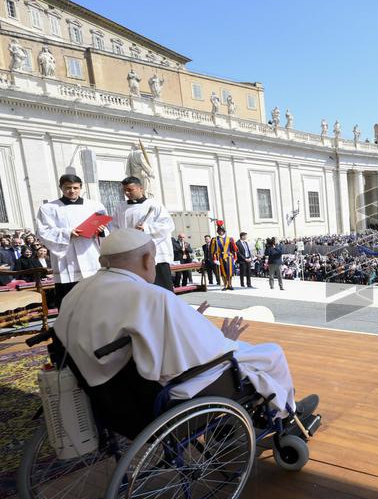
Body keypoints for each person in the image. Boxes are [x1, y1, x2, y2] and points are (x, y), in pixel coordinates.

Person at [53, 229, 317, 422]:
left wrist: (191, 321)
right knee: (271, 353)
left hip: (109, 392)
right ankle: (287, 413)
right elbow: (205, 352)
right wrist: (223, 337)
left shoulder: (78, 290)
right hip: (165, 389)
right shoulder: (153, 296)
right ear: (147, 259)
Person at [35, 174, 108, 308]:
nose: (72, 191)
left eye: (75, 188)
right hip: (66, 257)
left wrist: (101, 231)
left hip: (90, 253)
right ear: (61, 188)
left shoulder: (95, 206)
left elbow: (105, 230)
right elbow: (42, 231)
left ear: (81, 187)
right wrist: (68, 233)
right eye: (68, 188)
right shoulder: (49, 208)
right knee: (70, 296)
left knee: (95, 293)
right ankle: (69, 325)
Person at [110, 176, 175, 291]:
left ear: (141, 188)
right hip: (133, 253)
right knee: (141, 290)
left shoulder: (154, 205)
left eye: (130, 190)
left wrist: (146, 228)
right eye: (125, 190)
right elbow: (114, 226)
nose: (127, 193)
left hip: (156, 253)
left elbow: (168, 225)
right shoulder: (121, 207)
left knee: (162, 289)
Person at [210, 226, 238, 290]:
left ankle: (230, 284)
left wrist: (235, 258)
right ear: (217, 231)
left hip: (229, 257)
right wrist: (215, 259)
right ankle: (225, 285)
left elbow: (234, 249)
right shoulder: (215, 239)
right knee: (223, 272)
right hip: (220, 257)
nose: (221, 232)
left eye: (222, 230)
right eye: (219, 231)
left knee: (230, 271)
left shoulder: (230, 238)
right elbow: (212, 251)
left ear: (224, 231)